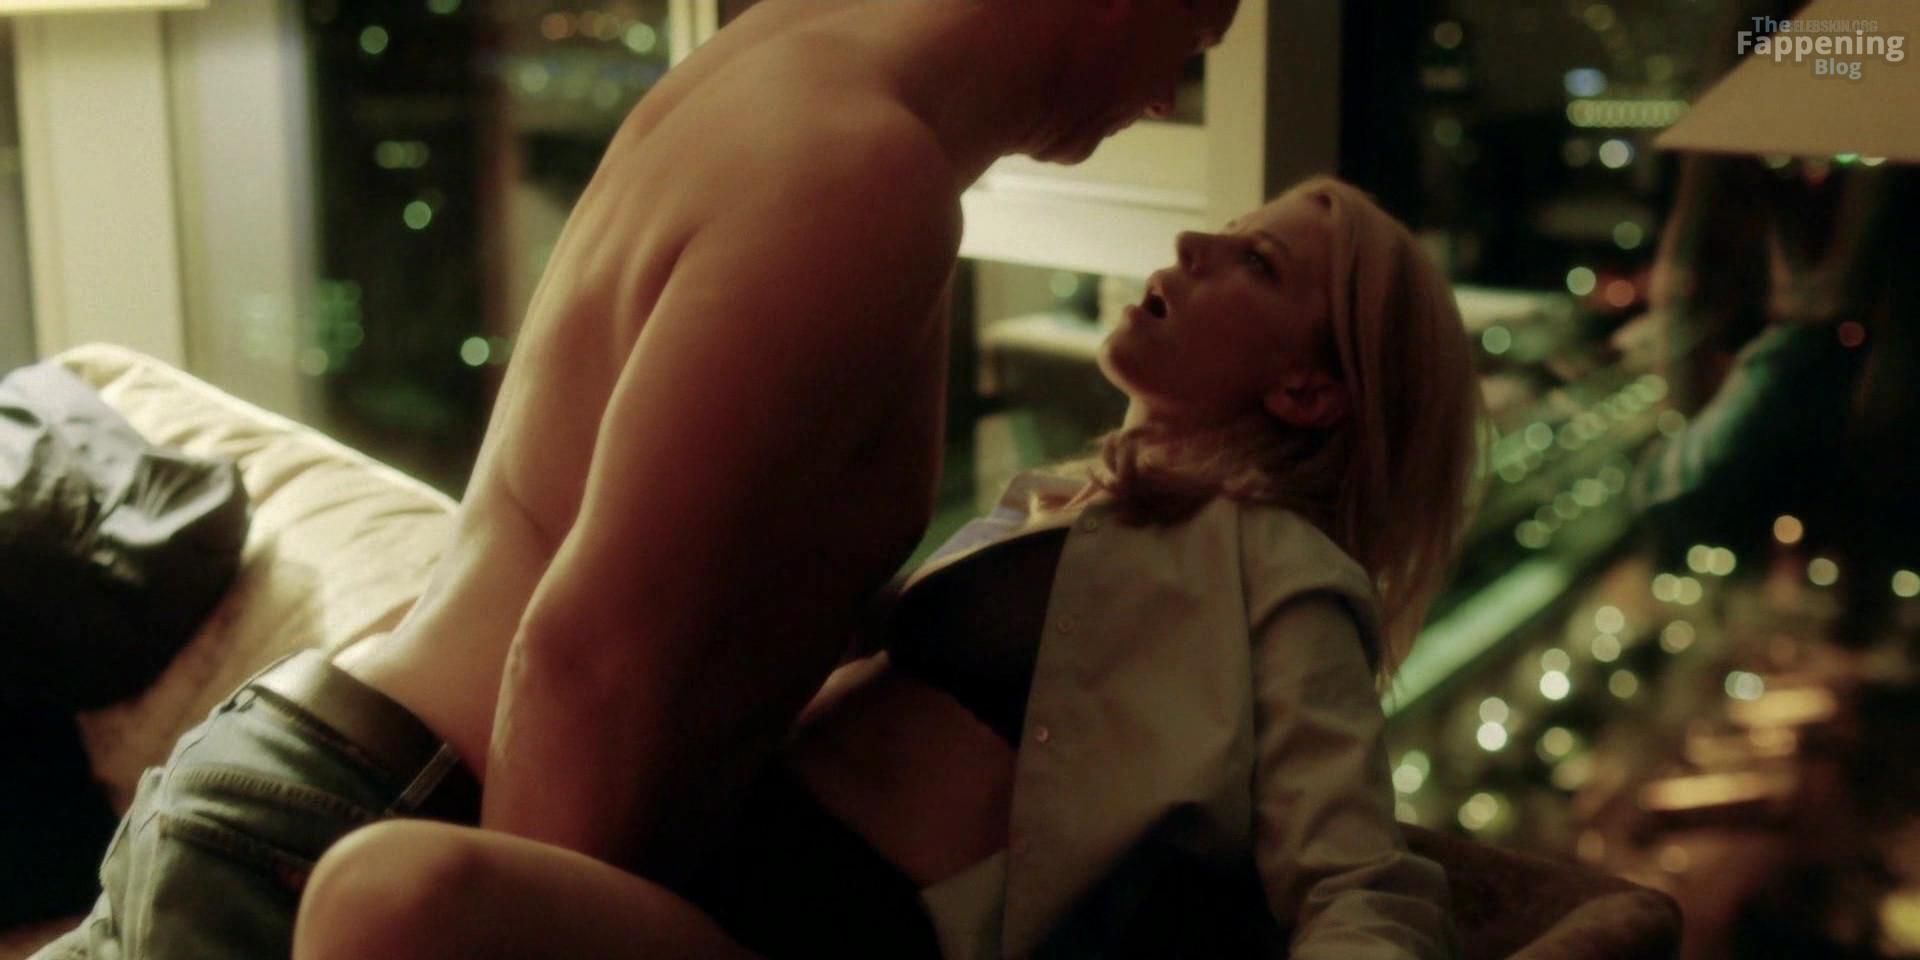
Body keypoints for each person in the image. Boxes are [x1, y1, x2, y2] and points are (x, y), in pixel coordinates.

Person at [30, 1, 1237, 959]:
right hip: (366, 841)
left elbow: (751, 590)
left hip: (315, 793)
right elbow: (581, 658)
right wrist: (508, 925)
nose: (1162, 97)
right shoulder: (856, 172)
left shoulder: (812, 80)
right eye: (1194, 31)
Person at [291, 176, 1480, 959]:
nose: (1193, 242)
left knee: (390, 895)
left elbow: (1359, 884)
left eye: (1256, 262)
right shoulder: (1055, 507)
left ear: (1308, 391)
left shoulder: (1282, 574)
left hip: (838, 926)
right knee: (366, 876)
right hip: (726, 857)